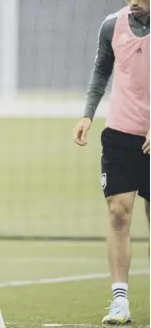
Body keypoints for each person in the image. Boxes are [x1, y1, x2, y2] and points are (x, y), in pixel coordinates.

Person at [73, 0, 149, 325]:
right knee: (118, 213)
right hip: (119, 135)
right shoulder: (111, 26)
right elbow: (101, 70)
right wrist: (88, 114)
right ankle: (120, 302)